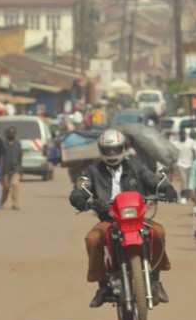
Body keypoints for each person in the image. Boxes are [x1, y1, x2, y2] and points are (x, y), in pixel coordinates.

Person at [69, 129, 178, 308]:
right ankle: (102, 286)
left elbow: (151, 179)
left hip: (136, 217)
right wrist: (80, 198)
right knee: (92, 239)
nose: (112, 153)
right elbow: (82, 186)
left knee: (158, 232)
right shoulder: (92, 170)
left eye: (115, 149)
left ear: (122, 148)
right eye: (108, 150)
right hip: (109, 219)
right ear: (101, 150)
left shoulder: (136, 166)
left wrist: (166, 188)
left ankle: (156, 280)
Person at [0, 127, 22, 210]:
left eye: (13, 133)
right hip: (5, 169)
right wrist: (0, 169)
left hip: (16, 168)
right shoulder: (3, 144)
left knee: (15, 184)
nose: (11, 134)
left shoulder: (18, 143)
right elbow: (0, 157)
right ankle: (2, 202)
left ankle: (15, 204)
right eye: (9, 133)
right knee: (6, 187)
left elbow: (20, 157)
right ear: (6, 134)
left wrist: (20, 169)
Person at [174, 129, 196, 204]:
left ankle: (186, 194)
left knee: (188, 181)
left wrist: (195, 162)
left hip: (190, 164)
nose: (182, 135)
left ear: (185, 134)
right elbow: (175, 154)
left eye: (183, 134)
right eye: (181, 134)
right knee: (184, 180)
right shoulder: (176, 143)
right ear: (179, 135)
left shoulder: (190, 142)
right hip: (181, 164)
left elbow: (193, 152)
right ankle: (184, 196)